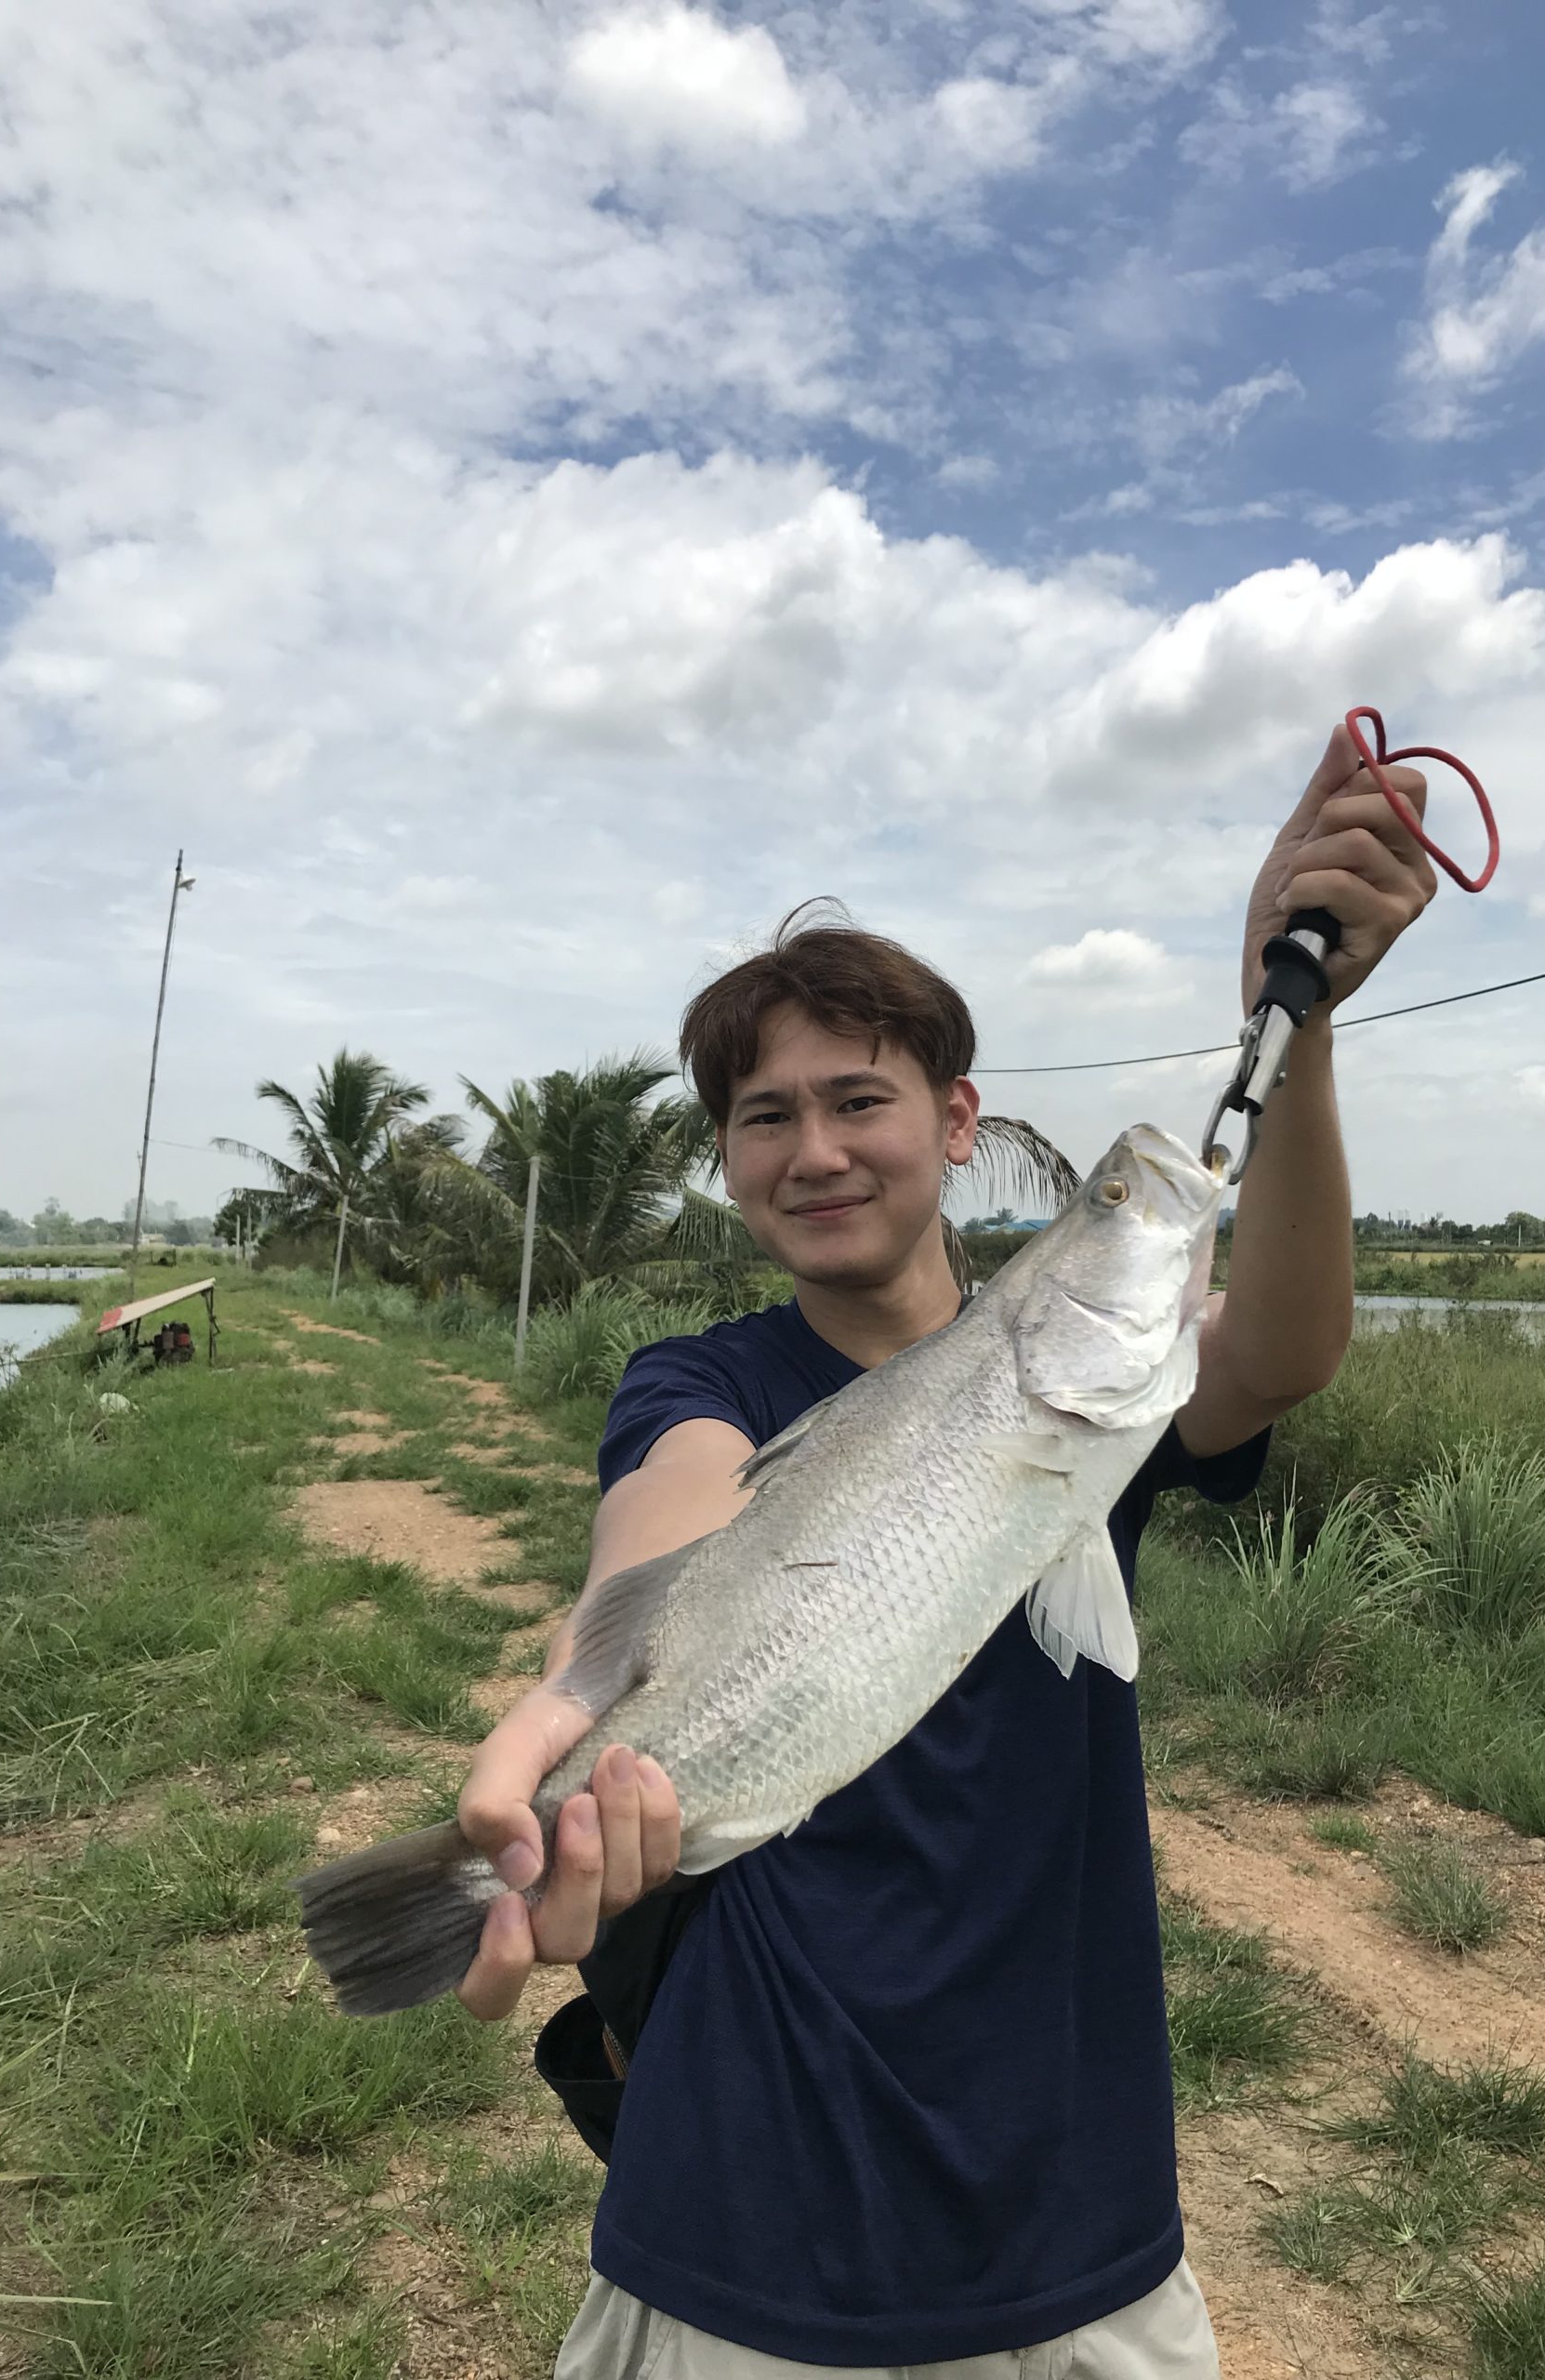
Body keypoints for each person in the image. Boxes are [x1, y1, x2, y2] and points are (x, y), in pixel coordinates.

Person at [455, 724, 1435, 2379]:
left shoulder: (1078, 1394)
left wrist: (1306, 1034)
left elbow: (1279, 1345)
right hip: (746, 2194)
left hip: (1073, 2197)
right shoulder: (707, 1386)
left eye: (861, 1099)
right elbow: (674, 1517)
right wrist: (578, 1705)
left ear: (957, 1118)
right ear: (728, 1163)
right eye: (765, 1118)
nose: (817, 1150)